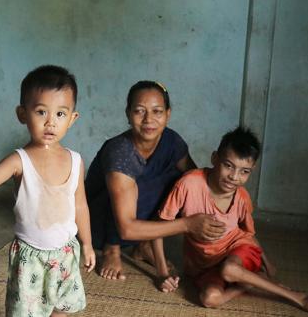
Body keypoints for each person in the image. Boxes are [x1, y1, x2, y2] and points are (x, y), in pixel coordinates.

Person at [0, 65, 96, 317]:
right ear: (22, 114)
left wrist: (87, 244)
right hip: (30, 256)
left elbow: (80, 205)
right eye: (41, 111)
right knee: (26, 311)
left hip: (65, 252)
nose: (50, 122)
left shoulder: (75, 160)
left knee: (62, 307)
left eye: (60, 114)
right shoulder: (19, 159)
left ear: (72, 118)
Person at [153, 126, 308, 316]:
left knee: (229, 269)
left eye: (244, 171)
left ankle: (300, 298)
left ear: (251, 171)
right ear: (215, 158)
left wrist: (267, 262)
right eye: (228, 165)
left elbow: (247, 234)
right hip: (203, 264)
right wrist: (162, 272)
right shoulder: (189, 184)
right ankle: (246, 285)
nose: (234, 177)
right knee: (210, 298)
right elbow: (158, 228)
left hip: (238, 251)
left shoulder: (242, 197)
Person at [85, 80, 227, 280]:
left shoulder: (171, 141)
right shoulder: (120, 152)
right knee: (131, 187)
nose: (148, 120)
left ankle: (145, 245)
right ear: (128, 113)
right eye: (139, 111)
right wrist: (188, 224)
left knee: (185, 182)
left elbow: (196, 183)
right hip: (99, 223)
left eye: (157, 111)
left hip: (138, 221)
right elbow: (127, 228)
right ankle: (112, 249)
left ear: (168, 114)